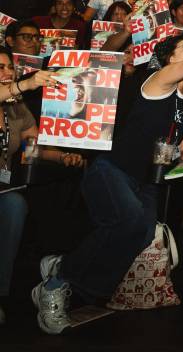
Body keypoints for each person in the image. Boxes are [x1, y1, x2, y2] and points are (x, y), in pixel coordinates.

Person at [31, 17, 183, 335]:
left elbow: (182, 150)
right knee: (129, 221)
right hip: (112, 168)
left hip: (147, 180)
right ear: (169, 59)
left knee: (142, 233)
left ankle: (64, 268)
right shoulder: (159, 79)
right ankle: (56, 285)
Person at [0, 45, 83, 325]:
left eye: (10, 67)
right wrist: (29, 82)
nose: (7, 72)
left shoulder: (16, 107)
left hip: (4, 189)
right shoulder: (14, 92)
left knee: (15, 205)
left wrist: (63, 156)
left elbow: (34, 145)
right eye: (0, 68)